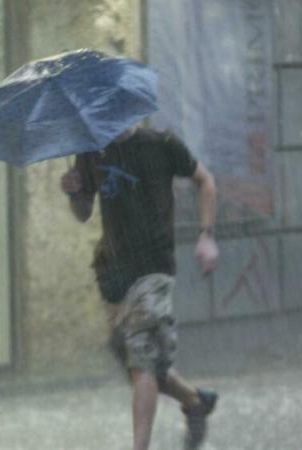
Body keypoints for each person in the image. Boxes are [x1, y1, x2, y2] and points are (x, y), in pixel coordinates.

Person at [60, 125, 220, 450]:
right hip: (114, 275)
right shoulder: (91, 149)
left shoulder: (160, 142)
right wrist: (74, 192)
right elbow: (83, 212)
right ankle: (194, 401)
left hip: (154, 269)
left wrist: (207, 235)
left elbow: (206, 181)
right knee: (142, 362)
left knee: (142, 361)